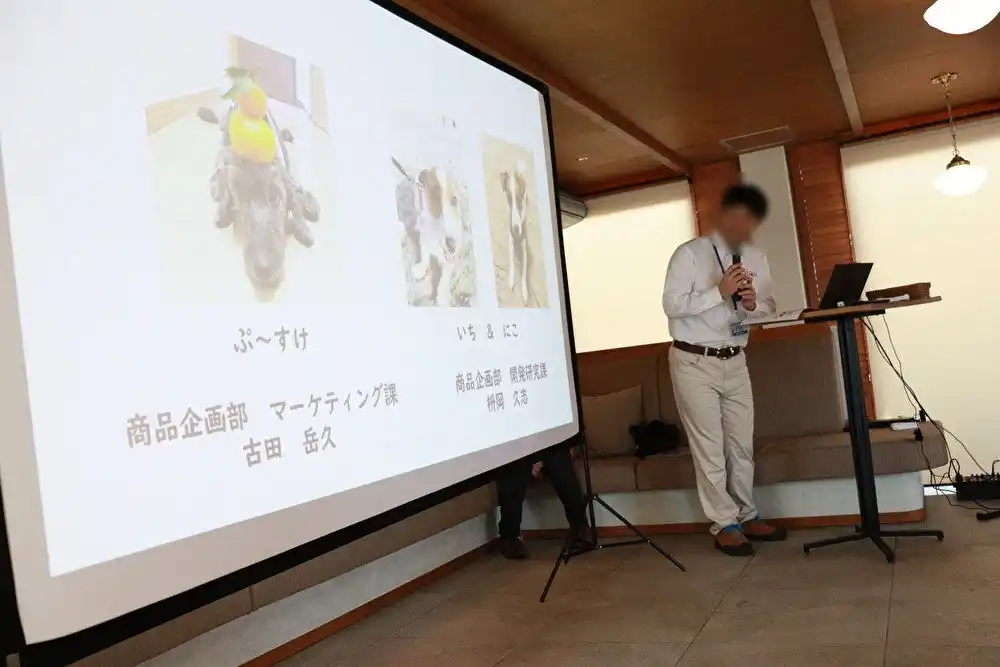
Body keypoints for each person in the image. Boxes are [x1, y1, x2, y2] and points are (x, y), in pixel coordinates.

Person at [661, 183, 787, 556]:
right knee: (710, 448)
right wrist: (718, 291)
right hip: (694, 360)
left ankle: (747, 515)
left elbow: (769, 307)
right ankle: (725, 523)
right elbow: (671, 305)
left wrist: (752, 305)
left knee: (741, 444)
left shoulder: (756, 258)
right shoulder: (689, 254)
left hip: (735, 359)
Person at [496, 446, 592, 560]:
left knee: (560, 463)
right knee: (512, 471)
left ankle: (579, 527)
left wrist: (540, 459)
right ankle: (510, 537)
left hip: (548, 448)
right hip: (517, 453)